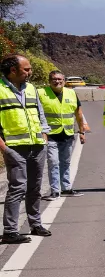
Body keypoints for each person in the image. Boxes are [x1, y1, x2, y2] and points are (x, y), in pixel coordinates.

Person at [0, 54, 51, 244]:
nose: (30, 72)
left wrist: (44, 136)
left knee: (35, 187)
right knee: (17, 188)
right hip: (14, 148)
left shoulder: (31, 88)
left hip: (37, 145)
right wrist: (4, 148)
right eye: (26, 69)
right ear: (13, 71)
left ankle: (35, 224)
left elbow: (40, 113)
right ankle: (10, 231)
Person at [39, 70, 89, 198]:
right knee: (53, 162)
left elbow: (78, 113)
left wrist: (82, 131)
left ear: (64, 81)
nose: (57, 81)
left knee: (66, 162)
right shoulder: (41, 93)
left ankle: (66, 188)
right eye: (54, 79)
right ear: (49, 81)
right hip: (50, 135)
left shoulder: (71, 93)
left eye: (60, 79)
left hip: (67, 134)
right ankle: (55, 190)